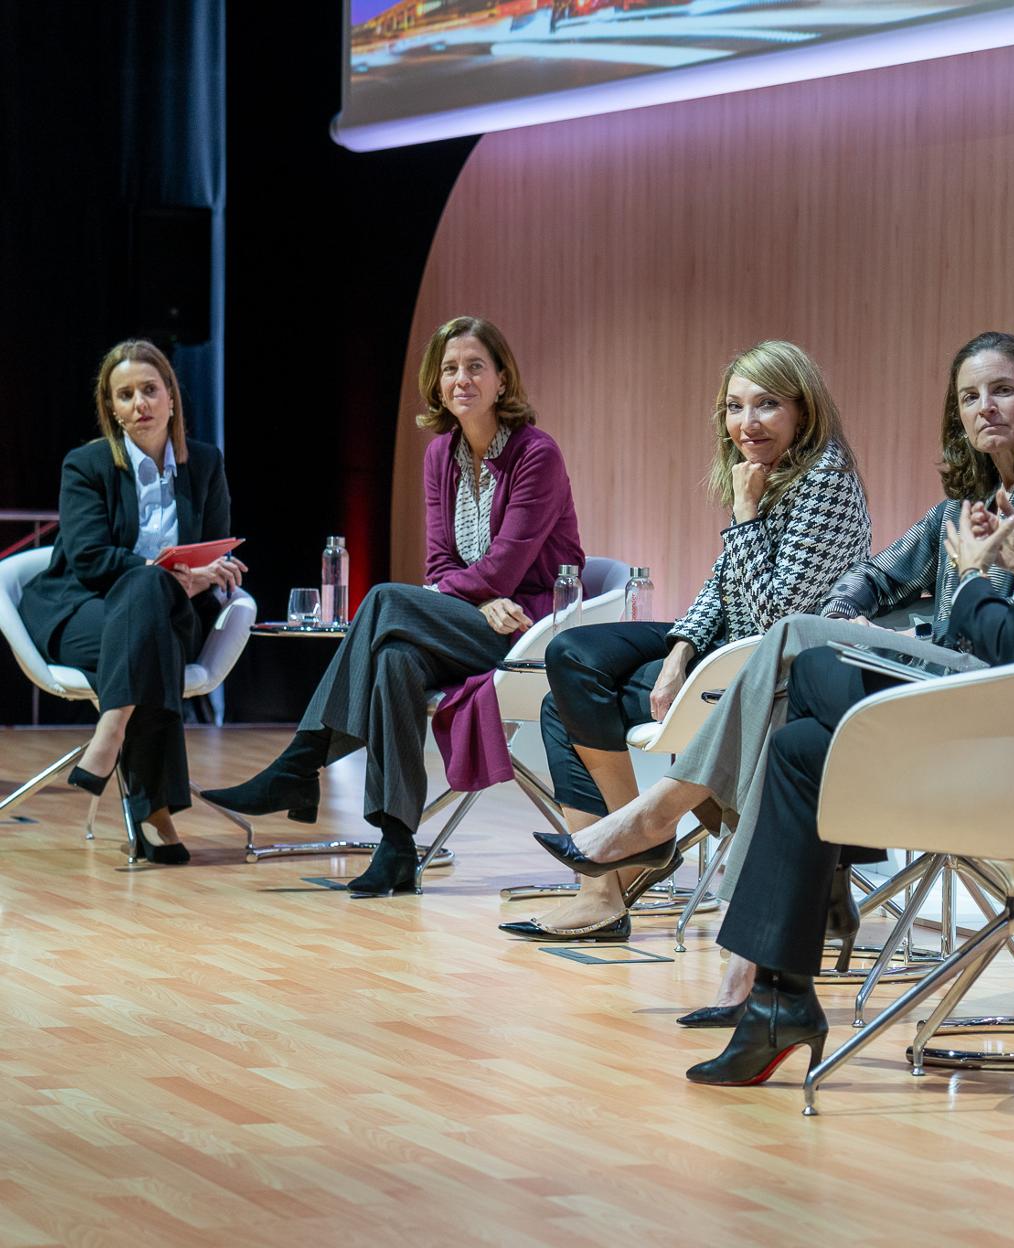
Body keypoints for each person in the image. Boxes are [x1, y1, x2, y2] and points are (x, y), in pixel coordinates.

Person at [593, 283, 1014, 1086]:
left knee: (812, 656)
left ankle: (665, 817)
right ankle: (774, 1000)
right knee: (800, 748)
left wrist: (973, 578)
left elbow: (1011, 647)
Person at [533, 331, 1014, 1011]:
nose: (986, 409)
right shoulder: (958, 505)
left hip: (981, 694)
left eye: (1003, 390)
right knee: (779, 742)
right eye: (970, 396)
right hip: (922, 679)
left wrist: (988, 573)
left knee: (796, 639)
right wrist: (845, 613)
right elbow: (875, 575)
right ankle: (750, 975)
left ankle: (652, 820)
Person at [503, 340, 872, 942]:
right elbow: (720, 581)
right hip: (719, 650)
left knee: (562, 692)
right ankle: (616, 873)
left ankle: (634, 846)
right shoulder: (762, 469)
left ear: (803, 411)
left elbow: (773, 619)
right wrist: (676, 653)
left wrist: (747, 516)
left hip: (761, 670)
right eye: (734, 407)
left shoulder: (825, 480)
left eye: (767, 405)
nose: (746, 423)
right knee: (570, 663)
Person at [202, 316, 583, 895]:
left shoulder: (537, 455)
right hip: (474, 620)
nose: (462, 379)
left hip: (528, 626)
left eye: (476, 366)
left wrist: (475, 599)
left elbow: (503, 571)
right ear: (436, 383)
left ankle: (300, 763)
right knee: (395, 659)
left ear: (502, 380)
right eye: (449, 369)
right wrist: (474, 603)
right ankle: (397, 845)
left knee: (381, 600)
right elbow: (439, 569)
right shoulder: (439, 455)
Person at [19, 340, 244, 864]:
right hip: (82, 611)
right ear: (111, 408)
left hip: (169, 614)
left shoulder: (205, 463)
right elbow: (90, 560)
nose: (139, 403)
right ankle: (155, 811)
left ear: (171, 399)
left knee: (151, 617)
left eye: (149, 389)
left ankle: (112, 726)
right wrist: (168, 574)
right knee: (148, 599)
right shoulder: (87, 465)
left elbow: (215, 542)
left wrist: (210, 574)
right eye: (126, 395)